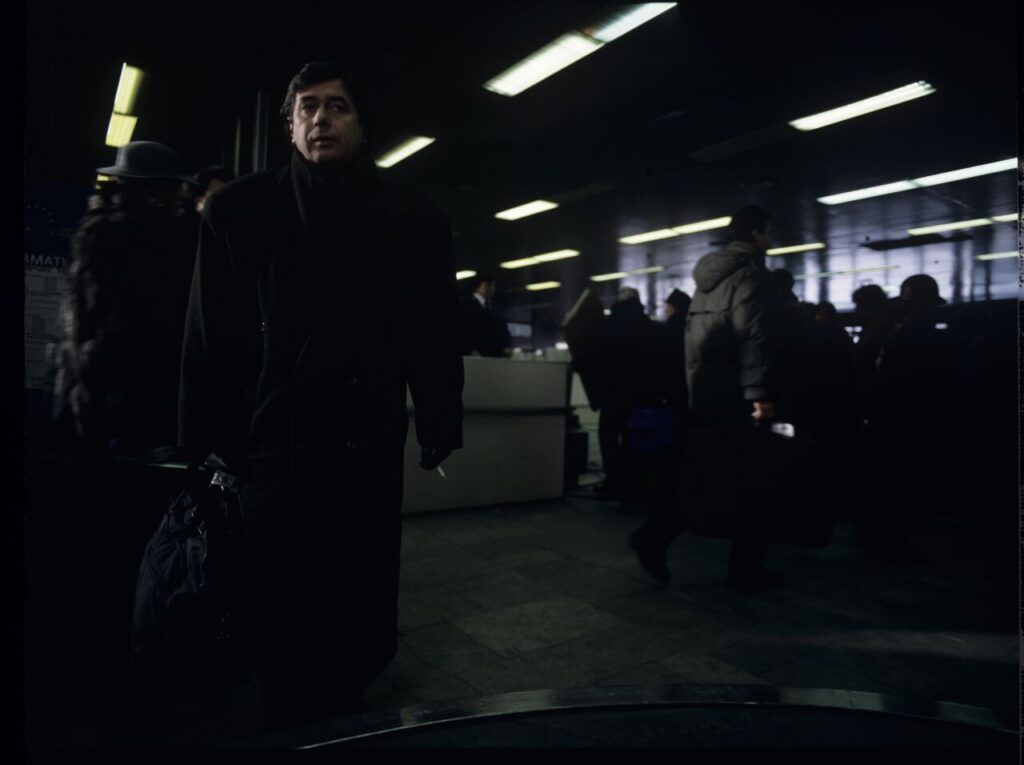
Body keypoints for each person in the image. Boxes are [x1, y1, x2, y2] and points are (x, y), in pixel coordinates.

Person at [177, 61, 464, 730]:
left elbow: (432, 327)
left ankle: (348, 694)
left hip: (366, 431)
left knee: (357, 588)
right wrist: (208, 438)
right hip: (276, 436)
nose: (320, 119)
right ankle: (292, 710)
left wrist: (439, 415)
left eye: (336, 107)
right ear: (289, 126)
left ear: (362, 125)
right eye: (306, 108)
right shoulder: (242, 210)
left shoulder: (412, 215)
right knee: (281, 595)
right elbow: (208, 335)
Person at [629, 205, 784, 589]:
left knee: (710, 475)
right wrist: (759, 393)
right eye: (766, 232)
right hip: (739, 395)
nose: (769, 238)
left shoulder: (706, 281)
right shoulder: (752, 277)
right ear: (756, 234)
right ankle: (744, 567)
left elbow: (694, 342)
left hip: (706, 393)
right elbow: (753, 337)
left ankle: (657, 534)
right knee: (754, 480)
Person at [51, 141, 197, 457]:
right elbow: (109, 332)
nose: (170, 201)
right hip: (115, 400)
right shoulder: (115, 238)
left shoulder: (109, 232)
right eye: (162, 192)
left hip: (107, 396)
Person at [459, 273, 511, 357]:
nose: (491, 288)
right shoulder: (465, 305)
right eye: (487, 285)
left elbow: (504, 330)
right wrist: (469, 349)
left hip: (497, 355)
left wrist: (507, 346)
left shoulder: (496, 308)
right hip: (474, 355)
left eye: (493, 285)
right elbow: (463, 330)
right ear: (477, 287)